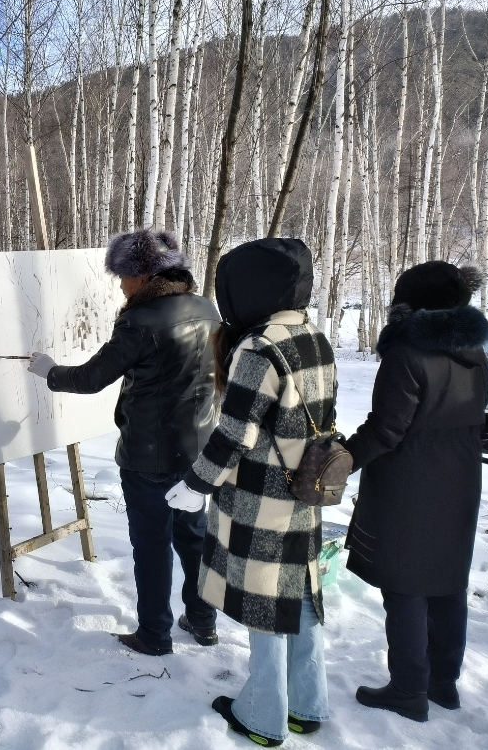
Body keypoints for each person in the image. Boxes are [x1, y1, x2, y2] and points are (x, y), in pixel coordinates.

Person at [167, 238, 336, 747]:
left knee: (266, 603)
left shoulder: (259, 348)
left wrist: (195, 484)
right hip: (304, 489)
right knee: (300, 595)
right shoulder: (313, 335)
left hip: (263, 498)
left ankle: (263, 716)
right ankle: (307, 705)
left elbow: (234, 433)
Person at [27, 230, 220, 655]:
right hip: (199, 450)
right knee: (193, 536)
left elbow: (92, 378)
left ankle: (154, 635)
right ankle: (203, 620)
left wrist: (49, 371)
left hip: (149, 455)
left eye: (125, 276)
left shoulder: (141, 320)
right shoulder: (207, 309)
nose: (120, 285)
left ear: (146, 275)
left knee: (152, 546)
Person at [344, 262, 488, 722]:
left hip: (409, 482)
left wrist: (342, 458)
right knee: (448, 582)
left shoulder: (407, 351)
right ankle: (442, 683)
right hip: (461, 478)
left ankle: (408, 688)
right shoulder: (475, 350)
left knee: (405, 586)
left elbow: (387, 428)